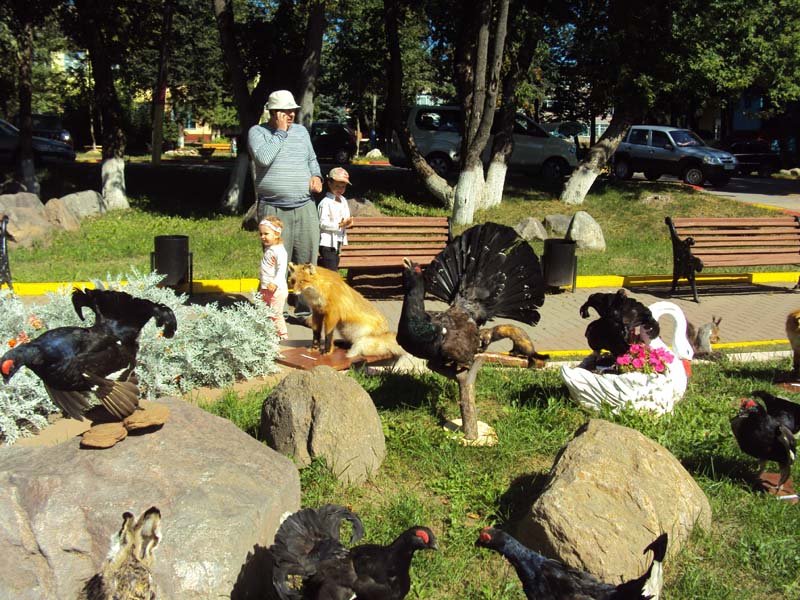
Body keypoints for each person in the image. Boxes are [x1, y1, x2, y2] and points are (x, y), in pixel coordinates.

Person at [248, 89, 322, 320]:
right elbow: (263, 158)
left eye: (292, 111)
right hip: (274, 208)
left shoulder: (301, 132)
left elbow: (311, 159)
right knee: (275, 262)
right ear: (273, 112)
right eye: (285, 111)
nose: (290, 115)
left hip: (305, 206)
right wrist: (280, 133)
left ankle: (304, 311)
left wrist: (316, 176)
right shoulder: (257, 132)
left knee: (307, 261)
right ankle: (274, 312)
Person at [258, 216, 289, 340]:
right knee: (267, 313)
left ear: (277, 234)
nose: (262, 236)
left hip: (277, 290)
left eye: (266, 234)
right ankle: (270, 335)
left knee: (276, 314)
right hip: (266, 287)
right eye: (261, 234)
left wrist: (275, 283)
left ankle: (283, 336)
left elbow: (282, 269)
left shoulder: (280, 251)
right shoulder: (270, 248)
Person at [318, 167, 354, 271]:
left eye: (343, 187)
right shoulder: (325, 202)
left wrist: (348, 223)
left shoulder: (343, 200)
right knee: (332, 270)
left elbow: (345, 218)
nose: (340, 189)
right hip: (327, 242)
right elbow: (322, 223)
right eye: (337, 186)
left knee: (333, 266)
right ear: (329, 184)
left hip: (338, 241)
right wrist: (339, 225)